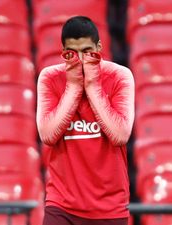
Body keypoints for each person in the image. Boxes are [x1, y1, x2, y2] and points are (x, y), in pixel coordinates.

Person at [36, 16, 134, 225]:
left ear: (99, 46)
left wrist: (92, 85)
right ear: (63, 51)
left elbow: (120, 135)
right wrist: (73, 87)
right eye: (72, 53)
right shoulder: (49, 77)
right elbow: (47, 135)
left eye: (87, 51)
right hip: (61, 204)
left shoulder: (120, 76)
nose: (80, 60)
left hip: (109, 207)